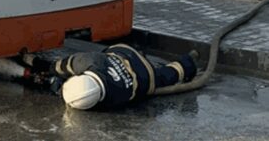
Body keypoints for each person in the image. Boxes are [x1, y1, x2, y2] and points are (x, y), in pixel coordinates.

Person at [35, 43, 198, 110]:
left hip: (146, 77)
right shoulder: (91, 61)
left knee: (166, 76)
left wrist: (52, 80)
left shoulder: (109, 103)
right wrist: (51, 68)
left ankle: (187, 64)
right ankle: (189, 61)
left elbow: (84, 96)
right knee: (170, 74)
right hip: (124, 52)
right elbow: (64, 65)